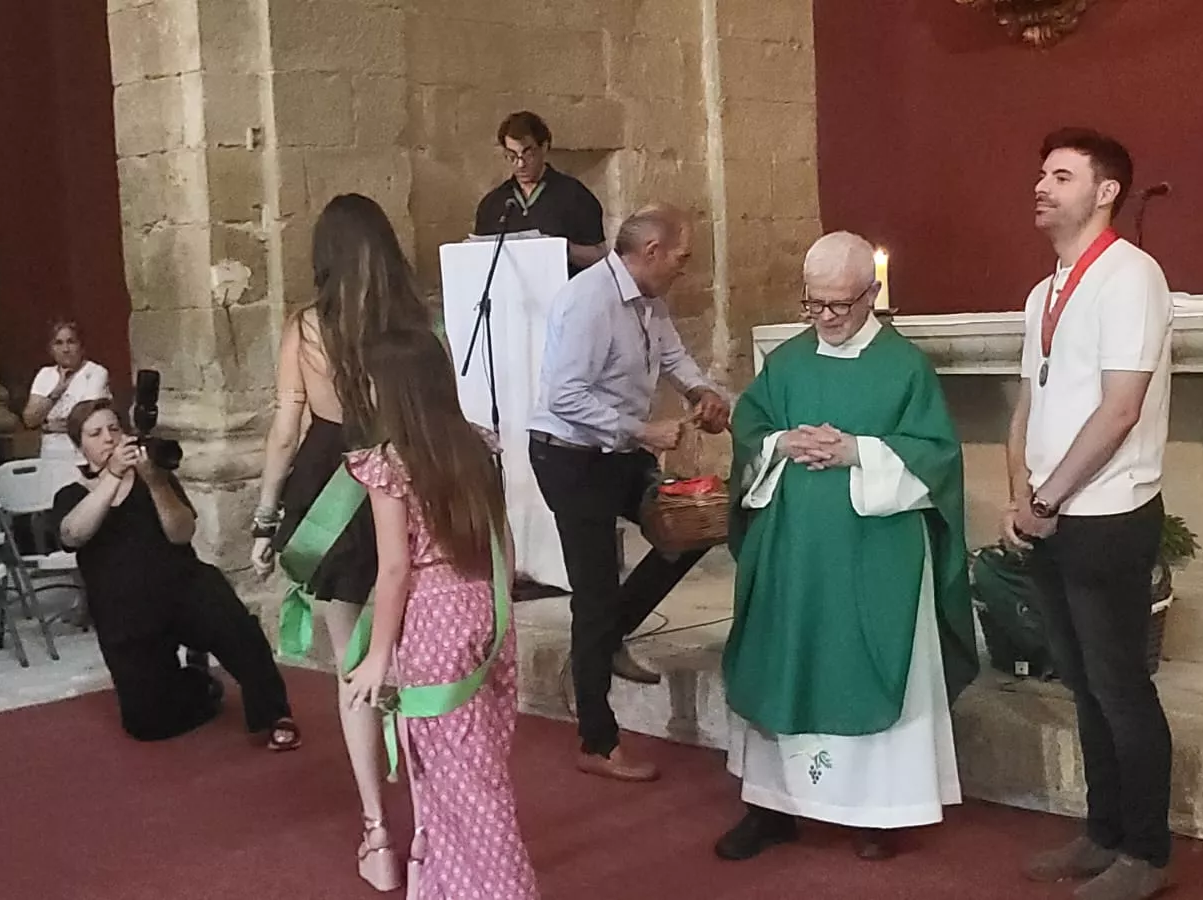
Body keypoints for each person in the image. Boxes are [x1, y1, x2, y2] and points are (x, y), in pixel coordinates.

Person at [716, 231, 979, 864]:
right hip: (790, 550)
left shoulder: (904, 367)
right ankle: (772, 807)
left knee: (865, 662)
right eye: (814, 303)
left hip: (874, 554)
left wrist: (857, 451)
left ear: (871, 293)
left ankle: (878, 814)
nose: (826, 318)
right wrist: (780, 443)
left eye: (840, 304)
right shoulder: (788, 361)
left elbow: (938, 457)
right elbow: (750, 427)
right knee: (782, 658)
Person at [1004, 128, 1174, 900]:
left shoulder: (1131, 276)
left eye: (1062, 176)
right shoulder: (1045, 291)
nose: (1042, 186)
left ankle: (1147, 852)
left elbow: (1120, 409)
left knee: (1119, 686)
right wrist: (1022, 496)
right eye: (1042, 174)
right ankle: (1103, 832)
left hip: (1108, 515)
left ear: (1106, 192)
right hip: (1050, 513)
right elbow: (1028, 404)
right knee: (1082, 684)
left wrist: (1047, 499)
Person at [249, 193, 431, 892]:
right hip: (402, 480)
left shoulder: (306, 327)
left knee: (354, 669)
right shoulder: (410, 325)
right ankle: (432, 830)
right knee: (416, 668)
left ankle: (377, 835)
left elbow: (285, 428)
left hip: (328, 487)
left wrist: (265, 518)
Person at [527, 203, 731, 782]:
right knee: (593, 594)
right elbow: (564, 396)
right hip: (569, 457)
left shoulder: (649, 299)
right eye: (681, 257)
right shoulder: (588, 300)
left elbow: (673, 356)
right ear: (651, 251)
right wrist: (642, 430)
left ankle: (611, 635)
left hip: (617, 452)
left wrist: (701, 393)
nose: (685, 267)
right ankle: (597, 740)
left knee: (688, 527)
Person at [341, 329, 538, 899]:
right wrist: (498, 608)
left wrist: (379, 654)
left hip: (433, 621)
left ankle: (505, 890)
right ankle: (450, 884)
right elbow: (502, 539)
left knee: (463, 782)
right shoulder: (475, 446)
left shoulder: (389, 464)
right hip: (485, 607)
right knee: (479, 763)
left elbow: (394, 569)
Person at [53, 399, 299, 749]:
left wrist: (156, 484)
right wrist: (113, 476)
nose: (109, 438)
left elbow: (182, 532)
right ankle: (199, 683)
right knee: (147, 725)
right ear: (80, 446)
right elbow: (73, 535)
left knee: (238, 631)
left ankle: (274, 714)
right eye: (95, 433)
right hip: (124, 613)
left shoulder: (155, 478)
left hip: (184, 588)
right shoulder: (71, 495)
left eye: (114, 429)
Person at [473, 111, 607, 275]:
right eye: (512, 156)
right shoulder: (492, 204)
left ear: (544, 147)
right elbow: (480, 261)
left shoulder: (575, 195)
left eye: (528, 154)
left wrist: (562, 248)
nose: (520, 164)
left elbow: (600, 255)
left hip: (562, 288)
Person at [22, 320, 111, 463]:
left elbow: (85, 419)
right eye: (58, 343)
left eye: (71, 342)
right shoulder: (45, 374)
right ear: (51, 349)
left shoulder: (96, 372)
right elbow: (30, 420)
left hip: (83, 454)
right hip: (51, 453)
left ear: (81, 347)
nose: (65, 349)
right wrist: (58, 390)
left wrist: (48, 425)